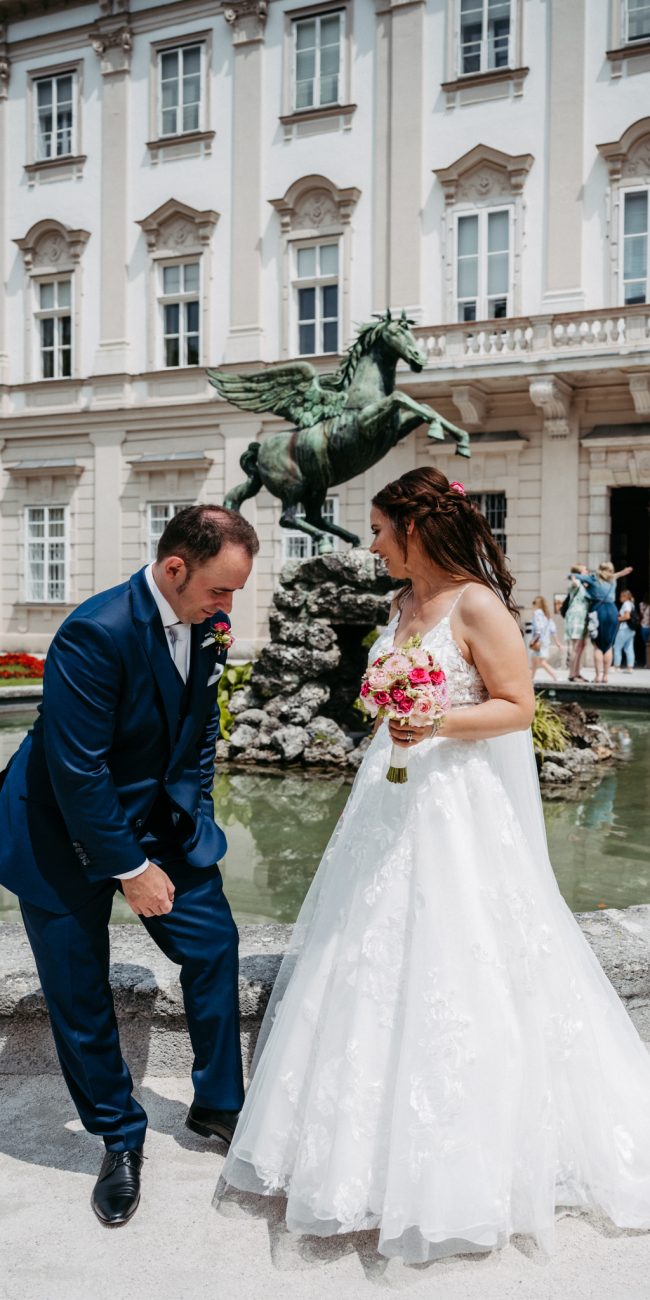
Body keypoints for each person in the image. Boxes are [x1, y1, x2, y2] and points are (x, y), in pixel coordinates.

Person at [218, 468, 650, 1263]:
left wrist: (433, 716)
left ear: (414, 530)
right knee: (367, 947)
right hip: (390, 800)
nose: (373, 542)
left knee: (461, 952)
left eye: (381, 529)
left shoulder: (476, 604)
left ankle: (460, 1165)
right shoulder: (397, 604)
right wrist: (394, 710)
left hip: (456, 801)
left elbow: (518, 705)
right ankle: (352, 1157)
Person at [0, 506, 258, 1227]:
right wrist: (129, 866)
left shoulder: (207, 627)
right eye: (219, 591)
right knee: (79, 996)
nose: (226, 608)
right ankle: (119, 1136)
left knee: (214, 944)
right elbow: (77, 772)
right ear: (175, 569)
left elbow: (201, 730)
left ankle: (217, 1106)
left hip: (158, 820)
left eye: (234, 593)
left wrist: (193, 817)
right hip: (57, 830)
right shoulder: (95, 630)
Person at [577, 562, 633, 685]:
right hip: (612, 610)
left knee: (597, 646)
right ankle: (606, 676)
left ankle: (598, 676)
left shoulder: (593, 579)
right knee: (608, 646)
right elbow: (616, 575)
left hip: (598, 610)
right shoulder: (612, 578)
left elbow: (577, 577)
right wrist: (623, 571)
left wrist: (580, 580)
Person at [562, 565, 590, 682]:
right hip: (575, 617)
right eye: (585, 570)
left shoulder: (584, 584)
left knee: (581, 646)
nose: (587, 571)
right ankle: (572, 674)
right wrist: (574, 577)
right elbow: (573, 581)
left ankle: (577, 672)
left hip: (582, 617)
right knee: (576, 646)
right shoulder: (576, 581)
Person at [529, 596, 562, 681]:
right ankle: (529, 680)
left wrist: (534, 640)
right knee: (534, 663)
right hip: (545, 641)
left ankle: (556, 676)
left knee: (541, 662)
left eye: (533, 603)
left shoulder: (537, 613)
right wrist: (557, 642)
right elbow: (553, 629)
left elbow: (539, 628)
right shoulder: (546, 615)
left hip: (539, 642)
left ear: (537, 604)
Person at [613, 589, 637, 672]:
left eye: (621, 596)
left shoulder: (626, 604)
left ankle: (616, 666)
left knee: (617, 647)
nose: (619, 598)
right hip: (631, 629)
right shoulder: (631, 604)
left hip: (624, 628)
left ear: (625, 596)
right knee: (629, 647)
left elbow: (627, 616)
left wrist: (616, 619)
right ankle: (630, 667)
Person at [640, 594, 650, 667]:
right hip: (646, 626)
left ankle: (647, 663)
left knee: (646, 645)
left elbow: (641, 615)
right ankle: (647, 663)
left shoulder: (641, 605)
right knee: (648, 646)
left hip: (644, 626)